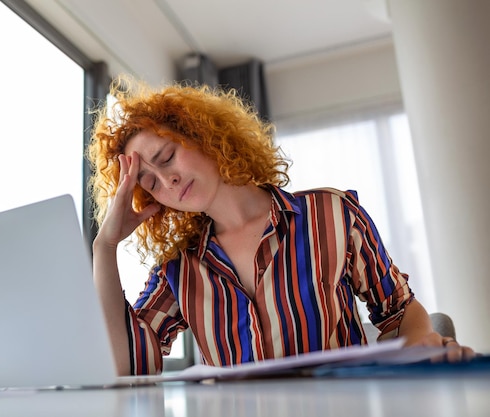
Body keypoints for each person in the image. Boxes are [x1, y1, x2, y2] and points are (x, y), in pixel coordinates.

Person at [88, 76, 475, 376]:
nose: (167, 180)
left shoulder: (332, 214)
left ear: (201, 135)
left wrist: (422, 341)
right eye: (150, 182)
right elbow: (126, 366)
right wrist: (104, 248)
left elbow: (399, 310)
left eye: (167, 156)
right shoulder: (177, 270)